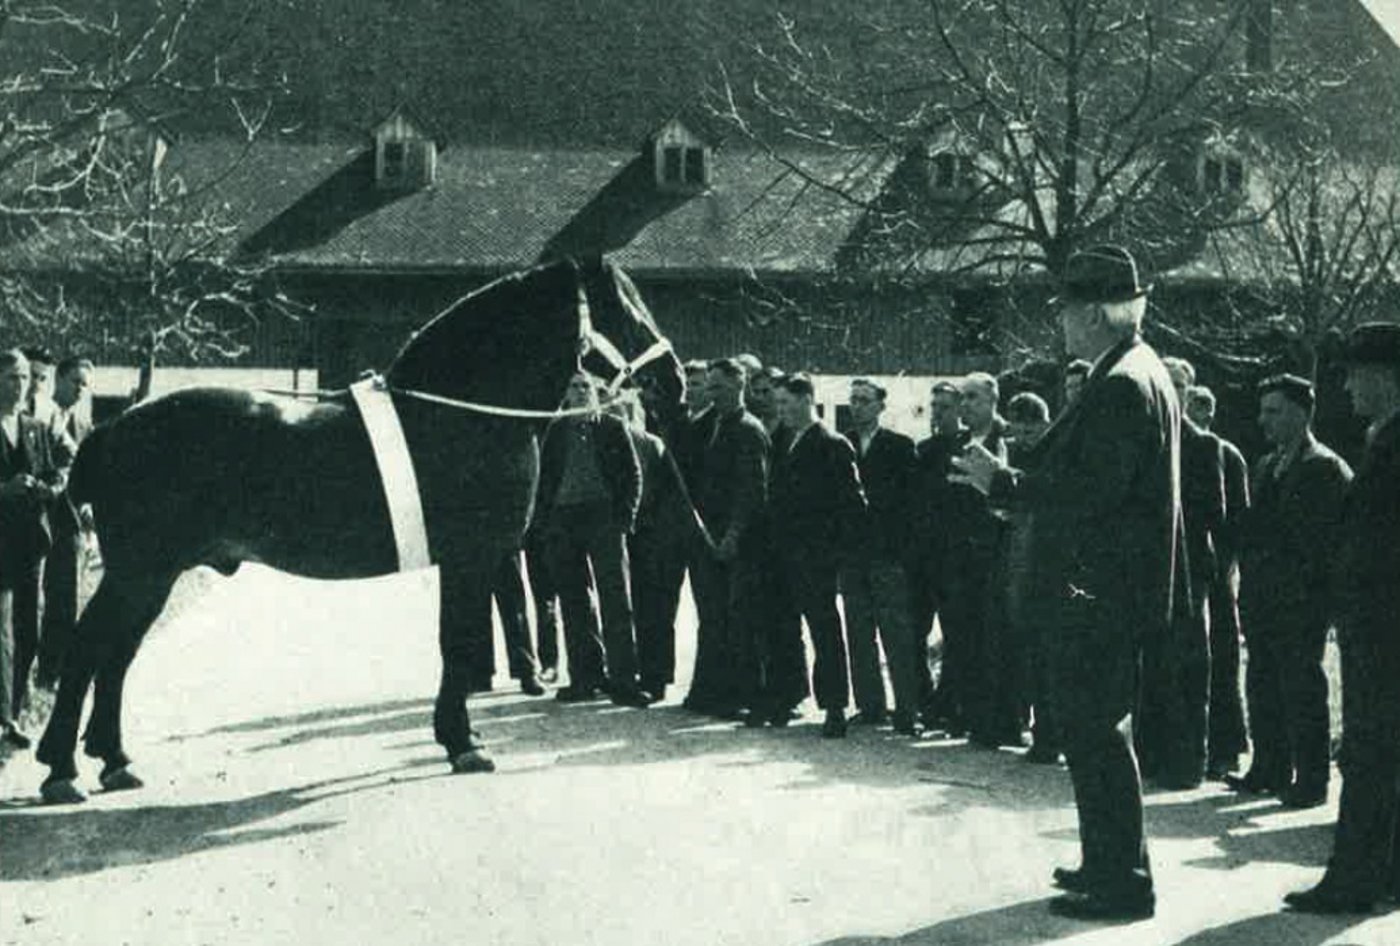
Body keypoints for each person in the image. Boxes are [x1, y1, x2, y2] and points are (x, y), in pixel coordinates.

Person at [953, 245, 1185, 921]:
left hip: (1096, 592)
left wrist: (1003, 481)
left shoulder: (1121, 383)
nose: (1060, 320)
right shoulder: (1135, 369)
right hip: (1110, 589)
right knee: (1096, 733)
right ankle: (1112, 864)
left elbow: (1092, 493)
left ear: (1096, 314)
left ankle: (1121, 882)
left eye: (1068, 309)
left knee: (1095, 734)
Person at [1286, 322, 1400, 914]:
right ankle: (1383, 872)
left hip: (1383, 632)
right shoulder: (1383, 438)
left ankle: (1354, 878)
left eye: (1356, 374)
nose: (1348, 386)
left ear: (1386, 377)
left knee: (1370, 750)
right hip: (1377, 628)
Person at [1229, 375, 1351, 808]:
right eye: (1262, 411)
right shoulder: (1266, 466)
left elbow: (1328, 542)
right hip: (1263, 598)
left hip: (1301, 600)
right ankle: (1269, 767)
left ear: (1302, 413)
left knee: (1301, 685)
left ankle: (1312, 778)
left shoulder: (1326, 468)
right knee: (1261, 681)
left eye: (1274, 411)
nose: (1263, 421)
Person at [534, 373, 648, 707]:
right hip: (564, 520)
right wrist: (546, 523)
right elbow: (544, 479)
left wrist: (624, 518)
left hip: (604, 519)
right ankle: (585, 677)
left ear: (597, 393)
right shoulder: (555, 430)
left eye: (586, 387)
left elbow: (633, 474)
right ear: (565, 394)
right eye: (574, 387)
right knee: (573, 600)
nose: (581, 392)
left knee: (615, 599)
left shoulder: (612, 427)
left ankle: (624, 680)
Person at [1135, 356, 1218, 789]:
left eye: (1180, 385)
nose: (1173, 392)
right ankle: (1149, 756)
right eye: (1165, 384)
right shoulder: (1145, 441)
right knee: (1150, 668)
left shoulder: (1204, 447)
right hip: (1148, 571)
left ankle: (1187, 762)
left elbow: (1214, 520)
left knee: (1187, 669)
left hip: (1188, 576)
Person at [770, 372, 866, 738]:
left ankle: (835, 706)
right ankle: (787, 696)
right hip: (780, 552)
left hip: (816, 555)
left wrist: (838, 553)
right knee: (783, 628)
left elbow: (852, 506)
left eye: (789, 404)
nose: (783, 411)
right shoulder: (778, 440)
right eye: (778, 405)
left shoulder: (832, 444)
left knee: (824, 629)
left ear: (808, 400)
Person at [685, 359, 770, 718]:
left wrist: (734, 535)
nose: (711, 393)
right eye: (710, 386)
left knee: (739, 619)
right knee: (712, 616)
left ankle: (742, 696)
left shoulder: (749, 430)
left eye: (719, 387)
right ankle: (708, 691)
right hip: (707, 538)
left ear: (739, 387)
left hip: (740, 541)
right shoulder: (707, 426)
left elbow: (752, 491)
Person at [839, 379, 920, 734]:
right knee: (858, 631)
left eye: (865, 400)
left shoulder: (900, 447)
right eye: (853, 400)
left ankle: (907, 709)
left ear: (880, 406)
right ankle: (870, 705)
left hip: (888, 555)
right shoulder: (841, 444)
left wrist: (903, 552)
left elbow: (912, 507)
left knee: (897, 635)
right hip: (852, 555)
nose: (857, 407)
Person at [945, 372, 1016, 747]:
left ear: (993, 400)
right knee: (965, 636)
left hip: (999, 554)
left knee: (998, 639)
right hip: (962, 557)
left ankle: (1003, 722)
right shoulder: (955, 442)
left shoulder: (1009, 440)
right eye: (963, 398)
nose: (966, 405)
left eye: (973, 397)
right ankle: (971, 717)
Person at [0, 349, 66, 747]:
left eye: (23, 376)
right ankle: (3, 717)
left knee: (28, 629)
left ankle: (16, 707)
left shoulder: (34, 427)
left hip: (28, 542)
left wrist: (51, 487)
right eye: (10, 376)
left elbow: (53, 473)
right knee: (0, 629)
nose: (20, 384)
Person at [1185, 383, 1251, 779]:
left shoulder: (1225, 453)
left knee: (1221, 662)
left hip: (1214, 573)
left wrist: (1222, 566)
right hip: (1188, 574)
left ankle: (1226, 746)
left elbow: (1232, 521)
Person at [1002, 391, 1060, 763]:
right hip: (1021, 560)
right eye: (1018, 432)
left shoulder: (1057, 452)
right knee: (1030, 653)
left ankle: (1050, 736)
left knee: (1049, 657)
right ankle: (1038, 731)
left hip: (1049, 565)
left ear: (1044, 424)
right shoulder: (1014, 453)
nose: (1023, 439)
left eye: (1029, 431)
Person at [35, 356, 93, 689]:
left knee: (65, 600)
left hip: (71, 525)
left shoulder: (84, 428)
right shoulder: (39, 415)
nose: (80, 390)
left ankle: (51, 672)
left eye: (85, 385)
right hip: (40, 518)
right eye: (75, 381)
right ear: (58, 379)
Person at [911, 380, 964, 729]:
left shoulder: (967, 447)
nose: (938, 413)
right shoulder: (923, 450)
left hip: (955, 557)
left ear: (958, 409)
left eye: (944, 407)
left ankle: (951, 703)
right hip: (923, 556)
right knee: (915, 631)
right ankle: (924, 700)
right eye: (934, 407)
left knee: (955, 634)